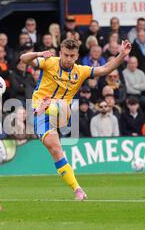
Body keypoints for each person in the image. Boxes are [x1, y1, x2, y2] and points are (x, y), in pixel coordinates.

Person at [20, 38, 131, 200]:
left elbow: (105, 69)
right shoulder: (49, 61)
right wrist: (38, 53)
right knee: (56, 150)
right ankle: (77, 189)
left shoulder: (81, 71)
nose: (68, 59)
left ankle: (49, 104)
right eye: (65, 55)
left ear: (77, 56)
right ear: (60, 53)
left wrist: (122, 54)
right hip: (39, 112)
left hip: (61, 112)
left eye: (72, 56)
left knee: (60, 106)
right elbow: (23, 59)